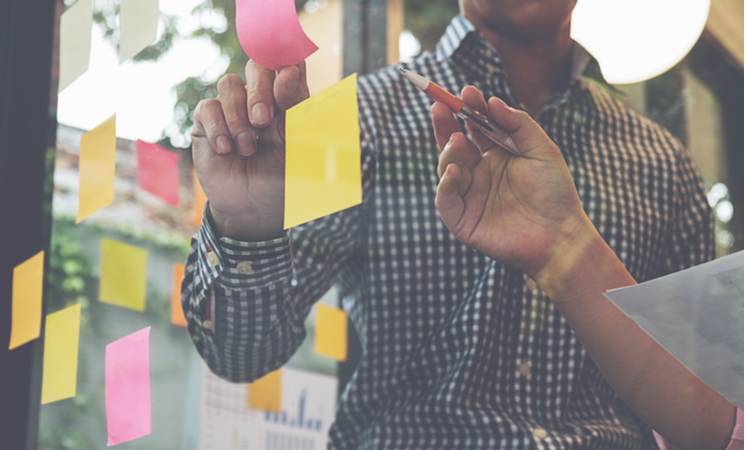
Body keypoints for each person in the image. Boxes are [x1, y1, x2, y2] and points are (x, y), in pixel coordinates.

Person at [182, 0, 716, 447]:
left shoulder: (662, 163)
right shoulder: (354, 118)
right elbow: (239, 353)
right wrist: (247, 229)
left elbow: (714, 405)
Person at [431, 90, 742, 450]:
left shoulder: (662, 159)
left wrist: (565, 247)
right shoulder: (368, 114)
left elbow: (718, 428)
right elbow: (721, 427)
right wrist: (564, 246)